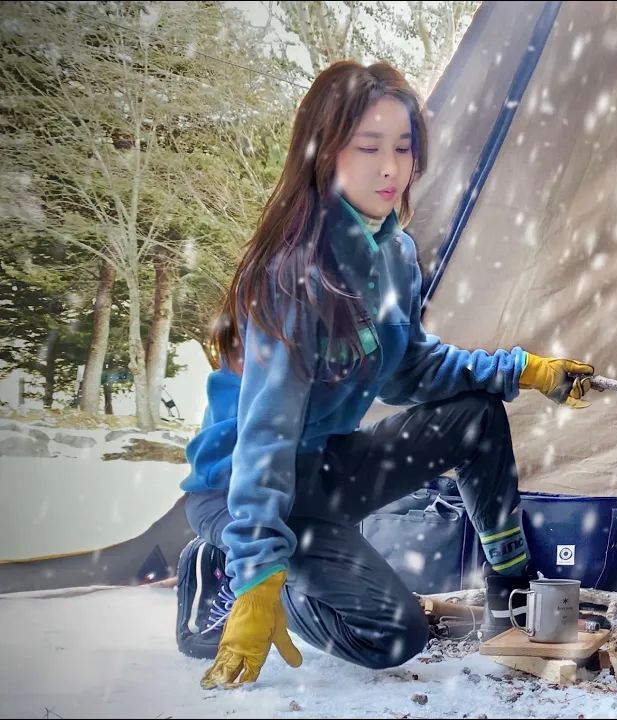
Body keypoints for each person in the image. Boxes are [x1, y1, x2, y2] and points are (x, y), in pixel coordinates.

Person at [175, 60, 594, 690]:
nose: (390, 167)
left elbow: (410, 369)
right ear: (325, 151)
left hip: (321, 467)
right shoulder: (292, 273)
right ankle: (231, 572)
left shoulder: (394, 252)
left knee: (477, 413)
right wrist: (261, 574)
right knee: (392, 636)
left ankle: (511, 594)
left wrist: (523, 370)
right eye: (367, 146)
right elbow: (266, 435)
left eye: (403, 147)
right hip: (243, 488)